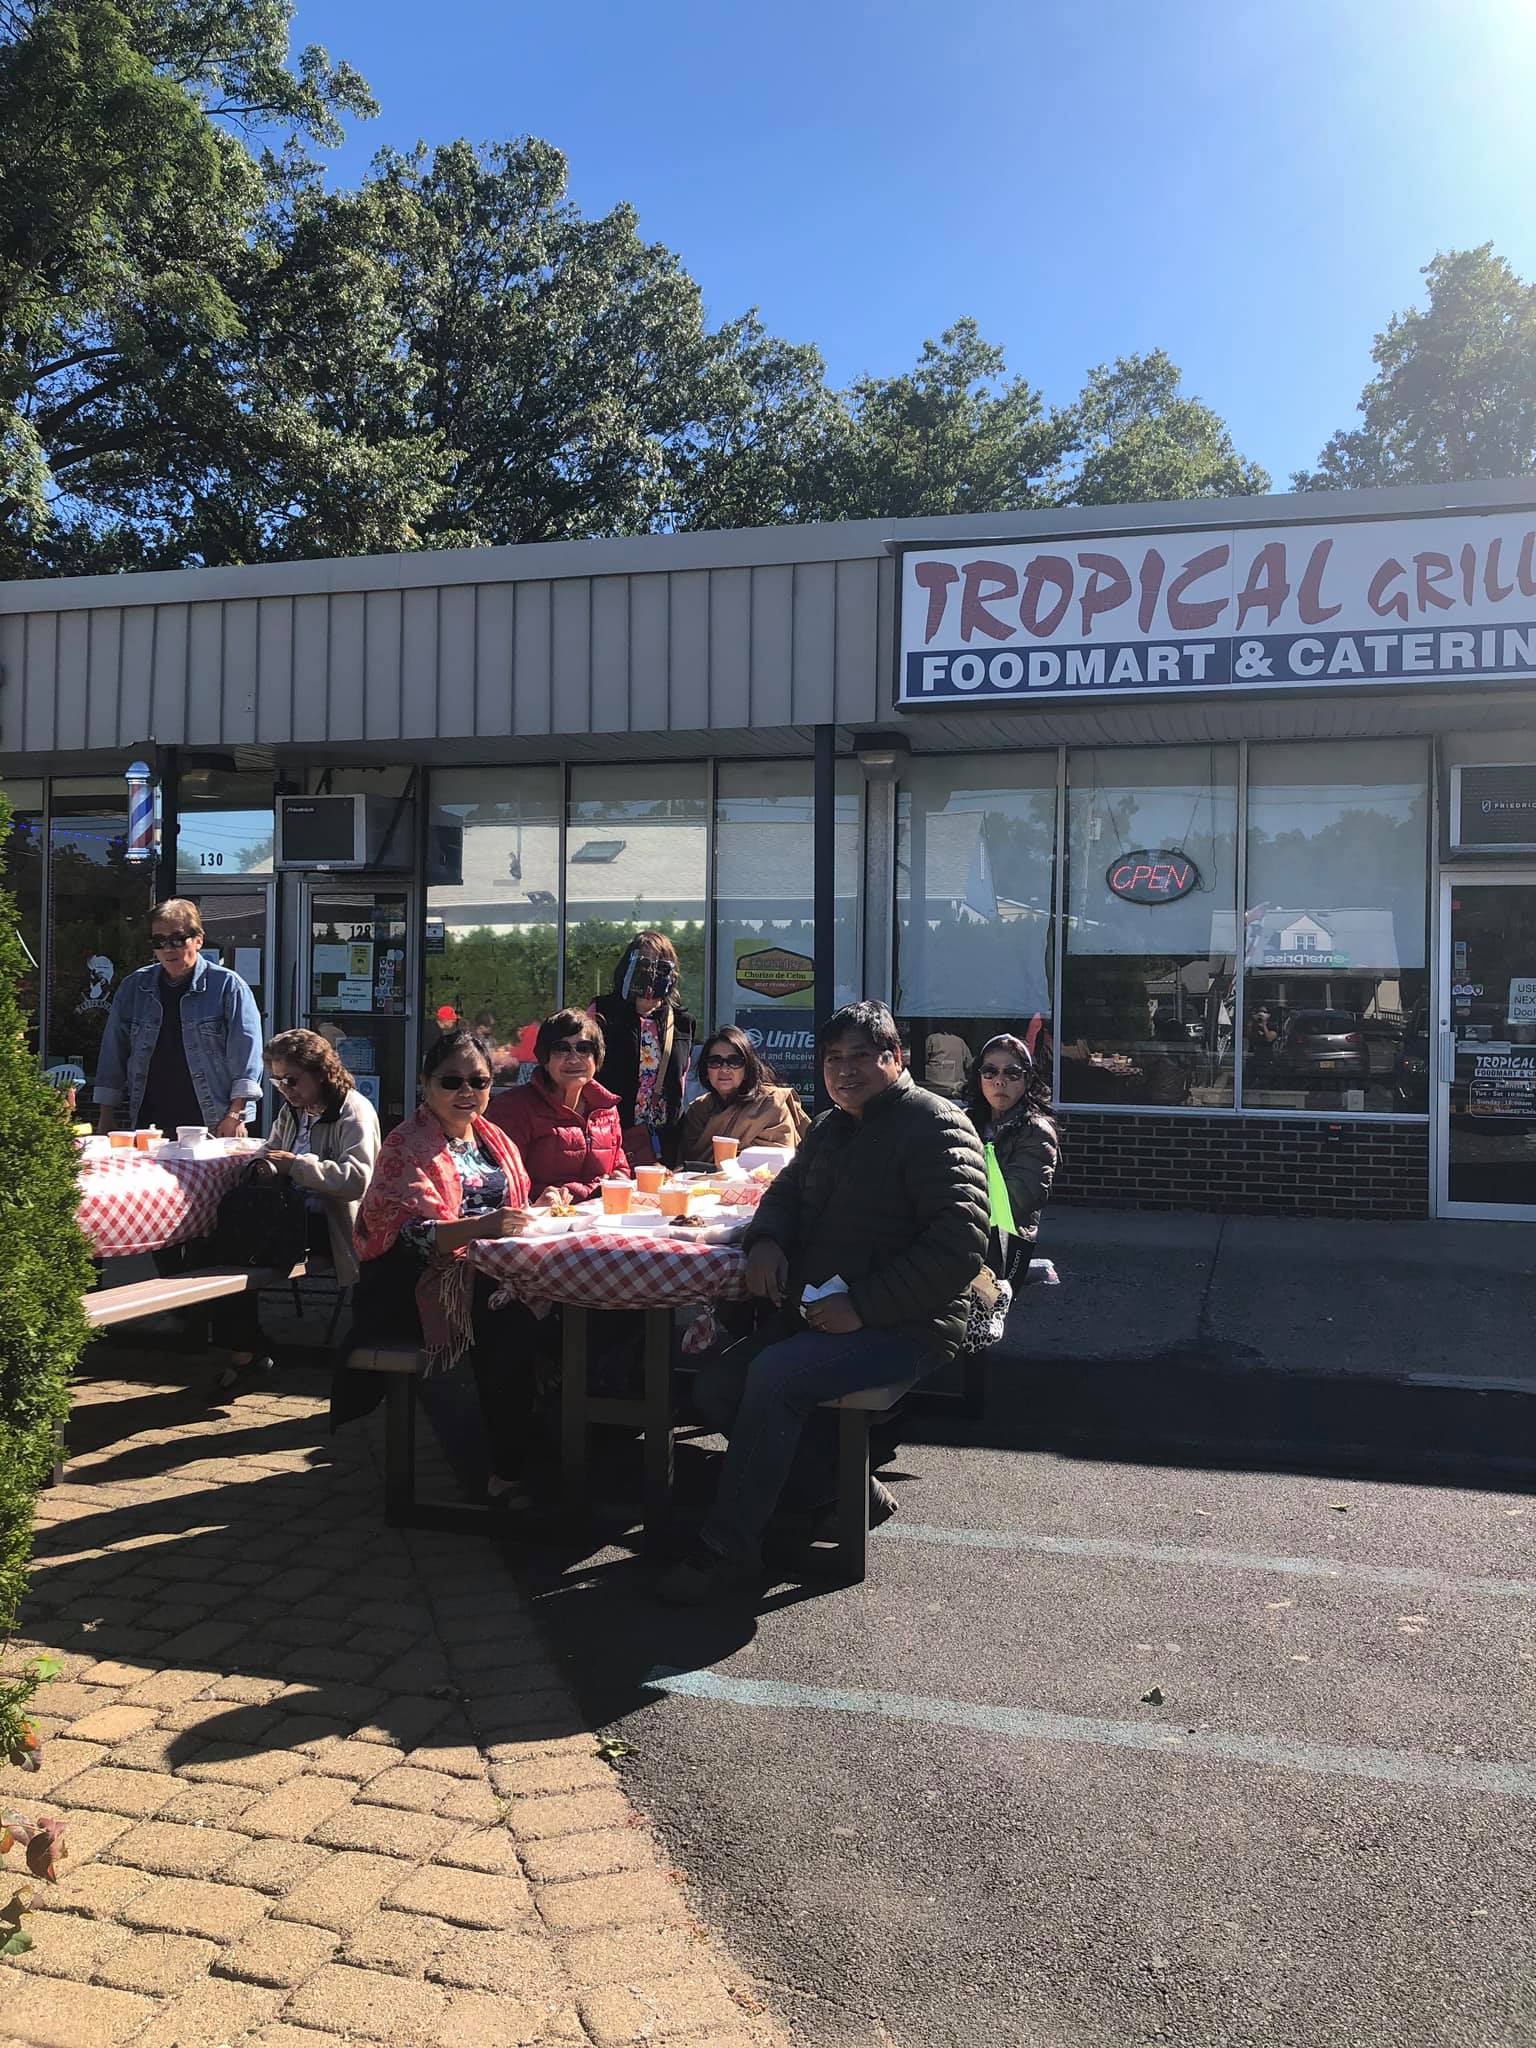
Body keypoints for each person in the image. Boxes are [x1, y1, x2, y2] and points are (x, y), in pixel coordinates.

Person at [659, 1000, 989, 1605]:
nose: (844, 1070)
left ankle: (728, 1551)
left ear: (895, 1058)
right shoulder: (832, 1127)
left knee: (776, 1376)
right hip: (821, 1313)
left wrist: (863, 1306)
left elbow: (958, 1248)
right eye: (833, 1058)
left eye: (861, 1056)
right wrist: (765, 1242)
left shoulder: (935, 1124)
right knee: (717, 1387)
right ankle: (848, 1491)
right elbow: (781, 1197)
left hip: (909, 1324)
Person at [350, 1029, 536, 1506]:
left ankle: (555, 1449)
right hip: (417, 1284)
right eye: (451, 1081)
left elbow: (513, 1206)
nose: (466, 1092)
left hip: (491, 1269)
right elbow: (411, 1236)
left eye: (479, 1081)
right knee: (508, 1320)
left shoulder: (493, 1139)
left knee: (564, 1314)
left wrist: (532, 1211)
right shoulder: (405, 1145)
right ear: (425, 1083)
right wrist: (485, 1227)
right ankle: (503, 1472)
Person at [214, 1029, 382, 1382]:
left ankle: (246, 1350)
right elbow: (270, 1150)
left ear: (320, 1072)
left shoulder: (353, 1111)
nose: (286, 1090)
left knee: (232, 1251)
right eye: (277, 1082)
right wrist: (262, 1164)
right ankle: (245, 1346)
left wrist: (296, 1166)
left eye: (291, 1080)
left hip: (333, 1226)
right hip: (289, 1215)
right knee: (215, 1243)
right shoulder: (292, 1111)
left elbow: (357, 1180)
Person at [94, 898, 263, 1141]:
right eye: (159, 941)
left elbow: (247, 1056)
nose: (167, 949)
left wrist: (236, 1114)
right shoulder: (134, 987)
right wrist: (106, 1114)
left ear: (198, 940)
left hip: (212, 1122)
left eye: (177, 939)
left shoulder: (228, 986)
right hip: (148, 1122)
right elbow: (113, 1053)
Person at [487, 1009, 625, 1201]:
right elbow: (503, 1185)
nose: (574, 1059)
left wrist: (620, 1178)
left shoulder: (606, 1109)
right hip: (540, 1215)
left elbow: (620, 1167)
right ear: (545, 1059)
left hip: (600, 1215)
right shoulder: (513, 1108)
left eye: (584, 1048)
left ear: (597, 1057)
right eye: (561, 1048)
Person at [962, 1032, 1059, 1286]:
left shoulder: (1036, 1131)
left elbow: (1016, 1198)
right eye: (990, 1072)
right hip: (961, 1239)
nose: (999, 1081)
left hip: (1003, 1250)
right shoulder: (965, 1122)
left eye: (1012, 1073)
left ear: (1027, 1079)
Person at [592, 931, 695, 1169]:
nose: (652, 972)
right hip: (611, 1136)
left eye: (661, 965)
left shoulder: (682, 1022)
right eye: (644, 963)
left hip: (663, 1141)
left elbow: (679, 1081)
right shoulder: (603, 1012)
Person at [679, 1025, 810, 1166]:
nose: (724, 1069)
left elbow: (780, 1163)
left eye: (734, 1061)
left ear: (747, 1068)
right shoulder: (698, 1110)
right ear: (705, 1070)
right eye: (715, 1062)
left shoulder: (771, 1105)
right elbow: (687, 1164)